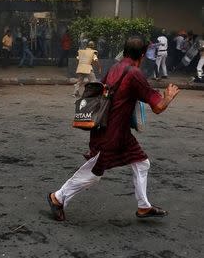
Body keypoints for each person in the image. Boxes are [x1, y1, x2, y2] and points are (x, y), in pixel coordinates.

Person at [47, 36, 180, 221]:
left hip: (115, 131)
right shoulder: (134, 74)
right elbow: (157, 107)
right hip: (111, 135)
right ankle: (57, 197)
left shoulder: (114, 68)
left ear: (125, 51)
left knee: (142, 163)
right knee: (93, 174)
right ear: (141, 55)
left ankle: (144, 206)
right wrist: (168, 97)